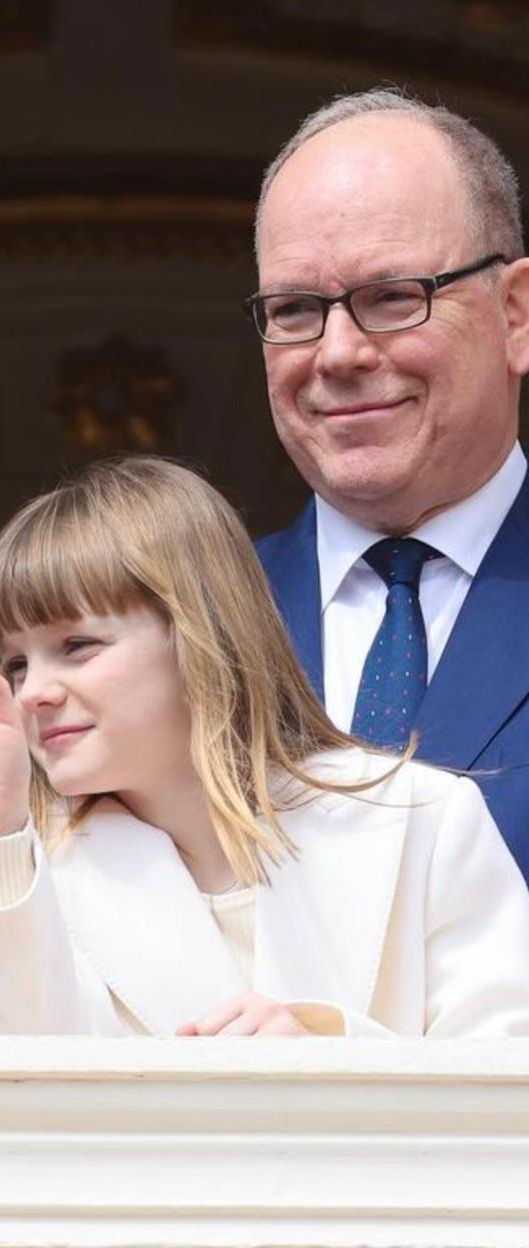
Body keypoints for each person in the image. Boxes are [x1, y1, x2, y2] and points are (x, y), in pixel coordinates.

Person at [0, 457, 529, 1037]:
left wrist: (331, 1056)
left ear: (201, 633)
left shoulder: (425, 819)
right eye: (14, 664)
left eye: (76, 646)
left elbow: (502, 1087)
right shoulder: (24, 878)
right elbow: (26, 1093)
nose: (34, 691)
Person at [249, 89, 529, 881]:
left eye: (392, 298)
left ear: (515, 314)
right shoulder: (176, 626)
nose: (338, 353)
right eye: (298, 309)